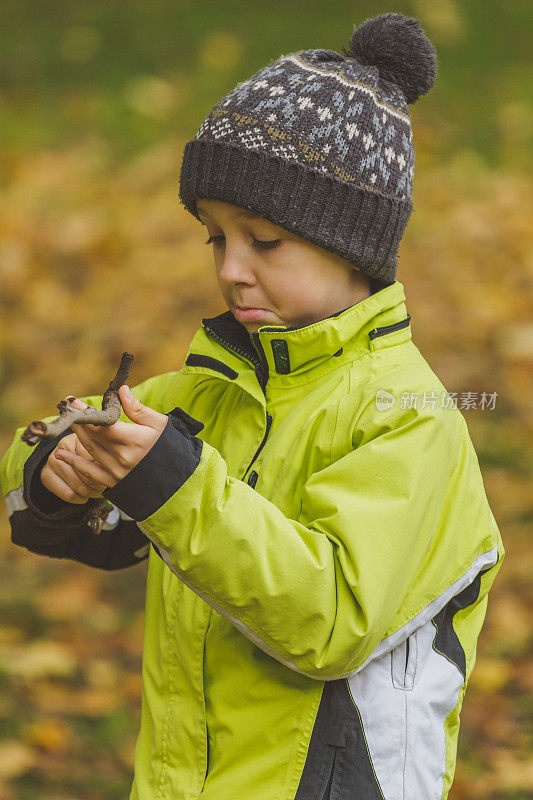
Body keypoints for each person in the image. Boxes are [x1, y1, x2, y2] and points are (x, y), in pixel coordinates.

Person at [0, 12, 504, 800]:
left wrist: (171, 482)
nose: (231, 269)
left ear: (352, 244)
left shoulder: (407, 417)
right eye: (213, 238)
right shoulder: (205, 392)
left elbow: (327, 621)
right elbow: (73, 506)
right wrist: (56, 473)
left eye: (262, 241)